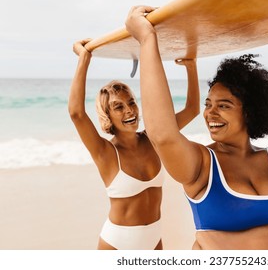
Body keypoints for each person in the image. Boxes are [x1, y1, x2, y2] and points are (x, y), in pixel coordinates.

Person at [126, 5, 268, 250]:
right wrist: (146, 40)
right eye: (208, 104)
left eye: (223, 105)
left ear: (249, 111)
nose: (210, 113)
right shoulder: (202, 165)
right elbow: (162, 135)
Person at [68, 38, 200, 250]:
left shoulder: (154, 137)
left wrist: (191, 66)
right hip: (117, 243)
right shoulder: (105, 152)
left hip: (154, 238)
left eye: (131, 103)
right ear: (108, 116)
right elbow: (76, 113)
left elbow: (193, 109)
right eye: (118, 107)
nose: (129, 110)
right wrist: (85, 57)